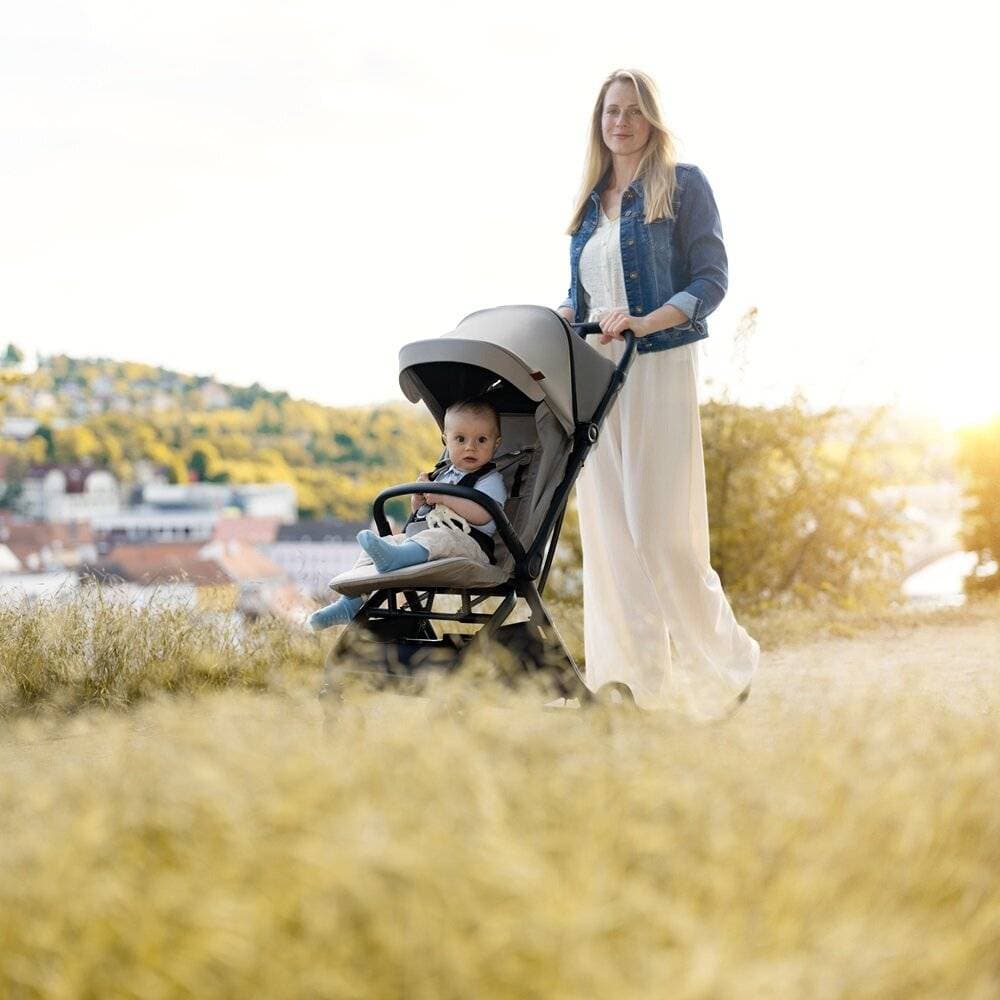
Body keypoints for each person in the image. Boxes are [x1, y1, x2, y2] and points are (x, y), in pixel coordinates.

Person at [556, 68, 759, 716]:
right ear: (599, 121)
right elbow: (586, 295)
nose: (621, 122)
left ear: (652, 119)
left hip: (656, 365)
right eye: (611, 111)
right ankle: (631, 685)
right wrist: (563, 313)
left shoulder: (684, 184)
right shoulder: (590, 203)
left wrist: (647, 322)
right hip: (594, 373)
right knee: (611, 537)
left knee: (661, 532)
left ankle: (730, 666)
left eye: (633, 110)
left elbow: (711, 279)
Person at [308, 399, 507, 630]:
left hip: (471, 546)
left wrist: (443, 497)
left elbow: (484, 514)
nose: (470, 447)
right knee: (387, 542)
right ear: (446, 440)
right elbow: (422, 514)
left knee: (440, 537)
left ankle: (397, 558)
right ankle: (348, 604)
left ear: (496, 444)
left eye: (481, 440)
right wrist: (419, 499)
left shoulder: (490, 480)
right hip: (429, 538)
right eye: (460, 439)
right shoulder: (442, 475)